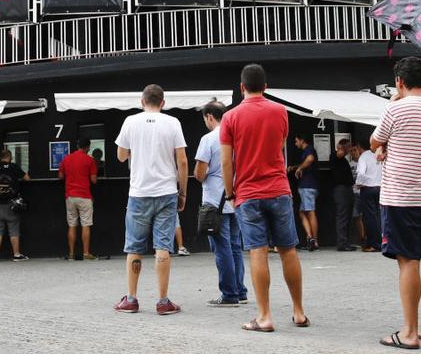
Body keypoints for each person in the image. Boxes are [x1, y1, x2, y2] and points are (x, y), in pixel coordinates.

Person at [370, 57, 421, 349]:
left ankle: (409, 332)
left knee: (408, 262)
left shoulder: (395, 108)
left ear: (400, 82)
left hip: (401, 198)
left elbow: (374, 141)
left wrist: (384, 145)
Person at [221, 64, 308, 333]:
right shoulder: (280, 112)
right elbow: (279, 143)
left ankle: (265, 316)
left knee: (257, 251)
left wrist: (230, 192)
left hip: (248, 193)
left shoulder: (230, 117)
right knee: (288, 250)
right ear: (266, 87)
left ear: (241, 87)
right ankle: (299, 311)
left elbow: (227, 161)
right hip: (279, 189)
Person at [113, 84, 188, 315]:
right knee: (163, 247)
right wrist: (182, 192)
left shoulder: (130, 121)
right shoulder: (173, 122)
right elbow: (183, 161)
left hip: (138, 193)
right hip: (166, 192)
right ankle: (163, 301)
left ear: (142, 101)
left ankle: (132, 299)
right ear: (163, 103)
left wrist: (136, 151)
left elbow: (120, 155)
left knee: (134, 248)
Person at [195, 100, 247, 306]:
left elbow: (200, 173)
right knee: (235, 247)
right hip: (236, 198)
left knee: (222, 248)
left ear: (209, 117)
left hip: (215, 201)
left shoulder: (208, 139)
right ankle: (240, 290)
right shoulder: (236, 136)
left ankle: (229, 294)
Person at [0, 149, 30, 261]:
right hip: (11, 204)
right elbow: (27, 178)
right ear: (10, 157)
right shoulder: (14, 167)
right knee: (14, 230)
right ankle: (16, 254)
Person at [59, 138, 97, 260]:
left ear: (77, 145)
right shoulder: (90, 160)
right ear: (88, 147)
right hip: (84, 196)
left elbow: (60, 176)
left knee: (72, 224)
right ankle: (86, 253)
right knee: (86, 224)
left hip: (70, 196)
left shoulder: (66, 158)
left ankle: (71, 254)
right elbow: (94, 180)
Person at [288, 135, 319, 251]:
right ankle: (310, 237)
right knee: (302, 212)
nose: (295, 144)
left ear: (302, 140)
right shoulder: (307, 151)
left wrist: (299, 168)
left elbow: (310, 159)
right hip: (307, 186)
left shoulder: (309, 149)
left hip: (308, 186)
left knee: (310, 212)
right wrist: (295, 167)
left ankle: (314, 241)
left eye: (296, 141)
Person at [352, 139, 382, 253]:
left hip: (368, 189)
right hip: (380, 188)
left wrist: (358, 184)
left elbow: (361, 173)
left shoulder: (364, 156)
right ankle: (378, 241)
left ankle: (374, 244)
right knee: (378, 216)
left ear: (359, 147)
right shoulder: (379, 154)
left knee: (369, 217)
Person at [330, 138, 356, 251]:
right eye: (348, 147)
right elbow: (339, 154)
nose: (350, 149)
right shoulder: (335, 155)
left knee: (347, 216)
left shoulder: (343, 159)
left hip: (346, 189)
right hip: (341, 190)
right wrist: (342, 148)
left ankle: (346, 242)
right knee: (343, 216)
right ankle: (342, 243)